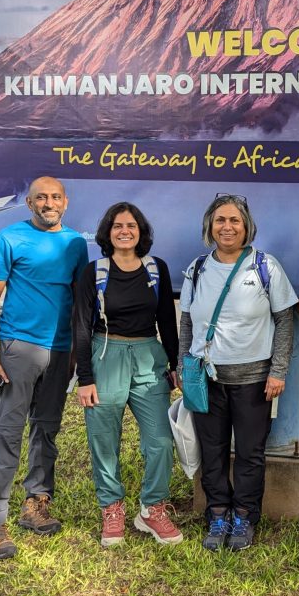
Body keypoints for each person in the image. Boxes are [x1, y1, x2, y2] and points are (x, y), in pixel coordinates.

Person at [0, 176, 89, 560]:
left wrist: (75, 353)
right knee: (6, 433)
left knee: (47, 430)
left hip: (60, 353)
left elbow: (77, 300)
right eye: (41, 197)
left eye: (55, 197)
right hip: (18, 349)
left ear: (65, 202)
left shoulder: (75, 244)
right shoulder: (9, 238)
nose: (48, 203)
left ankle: (36, 504)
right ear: (29, 203)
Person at [178, 194, 298, 551]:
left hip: (254, 381)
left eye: (235, 220)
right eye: (220, 220)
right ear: (209, 226)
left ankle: (244, 516)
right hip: (206, 379)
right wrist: (184, 366)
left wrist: (278, 370)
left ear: (247, 227)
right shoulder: (197, 269)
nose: (227, 227)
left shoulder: (265, 266)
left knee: (249, 452)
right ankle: (217, 513)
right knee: (212, 450)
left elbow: (285, 320)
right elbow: (187, 322)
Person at [72, 202, 182, 548]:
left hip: (149, 357)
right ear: (108, 232)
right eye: (118, 226)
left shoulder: (156, 269)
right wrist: (85, 378)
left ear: (140, 231)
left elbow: (167, 320)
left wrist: (175, 364)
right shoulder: (94, 272)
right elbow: (81, 326)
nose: (125, 231)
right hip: (106, 355)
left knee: (160, 440)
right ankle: (112, 507)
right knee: (104, 440)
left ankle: (152, 508)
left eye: (131, 226)